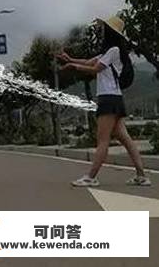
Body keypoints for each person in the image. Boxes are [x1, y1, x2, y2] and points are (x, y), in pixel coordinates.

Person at [59, 16, 151, 187]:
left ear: (109, 32)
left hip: (108, 99)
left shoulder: (114, 50)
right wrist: (70, 59)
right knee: (125, 138)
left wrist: (73, 67)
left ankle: (91, 177)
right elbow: (89, 61)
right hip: (114, 99)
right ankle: (142, 176)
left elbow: (95, 69)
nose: (101, 31)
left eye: (104, 29)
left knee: (102, 140)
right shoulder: (109, 52)